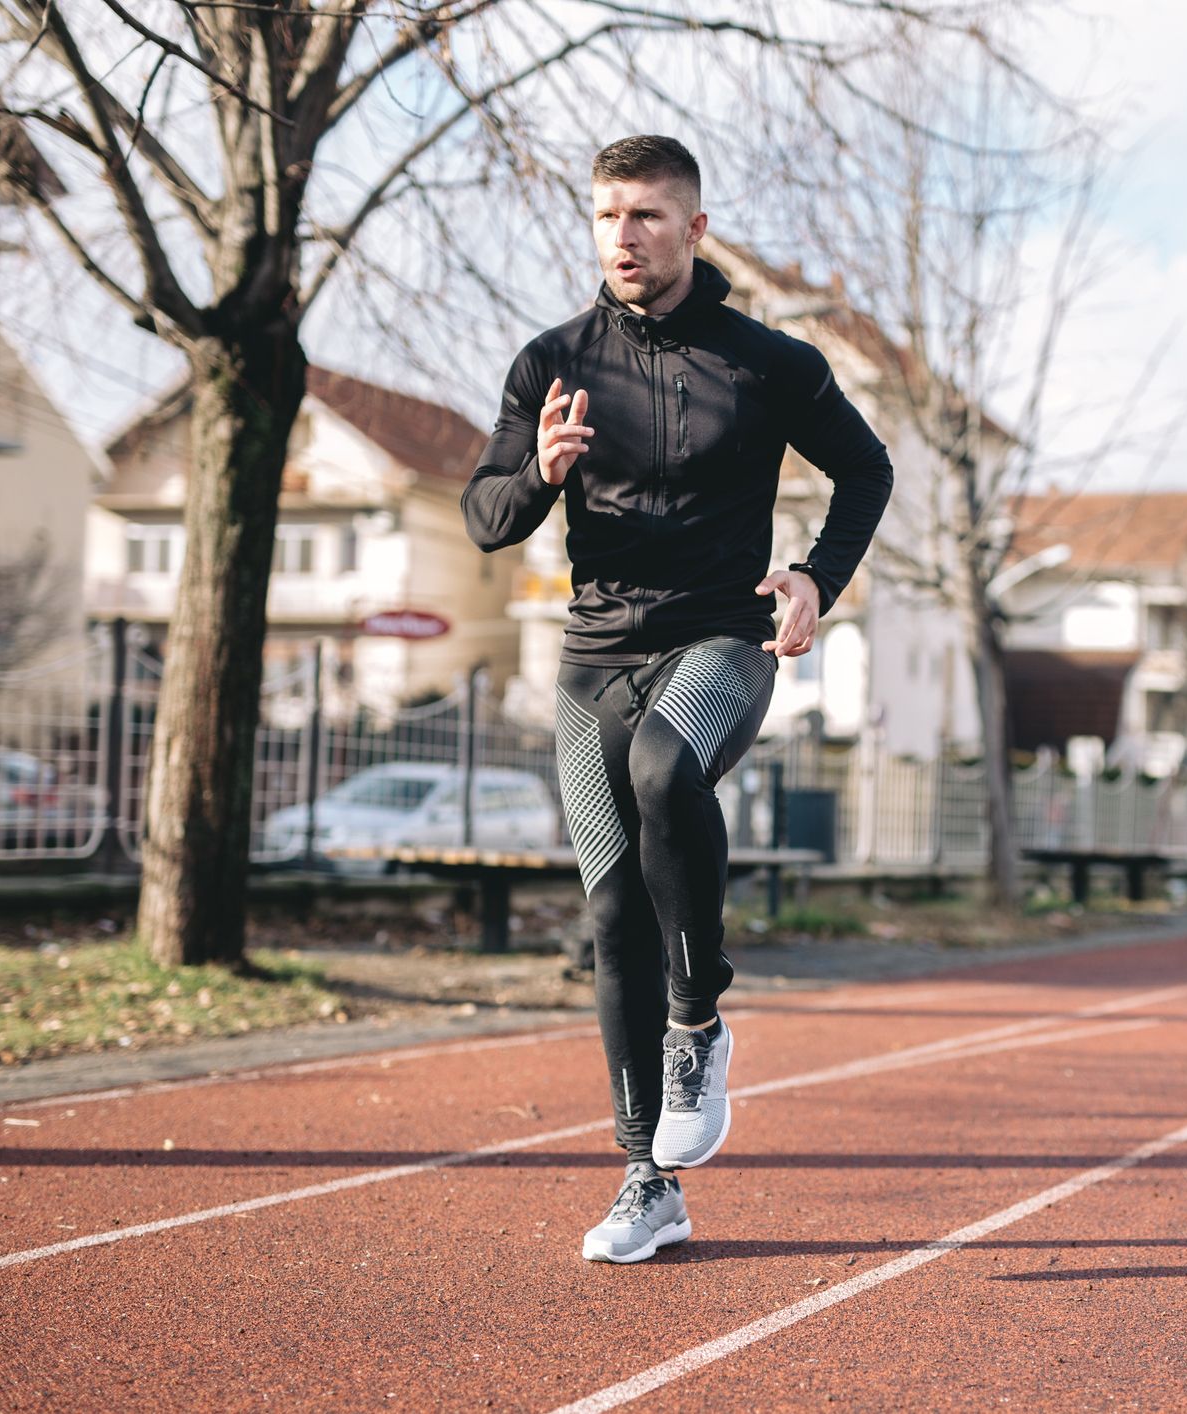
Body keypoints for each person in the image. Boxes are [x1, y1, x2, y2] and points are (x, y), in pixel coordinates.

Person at [462, 135, 894, 1262]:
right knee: (610, 917)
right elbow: (484, 516)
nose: (625, 236)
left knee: (666, 765)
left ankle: (697, 1019)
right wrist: (542, 474)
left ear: (694, 229)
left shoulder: (770, 363)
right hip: (591, 661)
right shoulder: (551, 363)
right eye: (607, 215)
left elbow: (868, 469)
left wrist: (813, 576)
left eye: (648, 216)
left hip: (721, 641)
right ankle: (645, 1178)